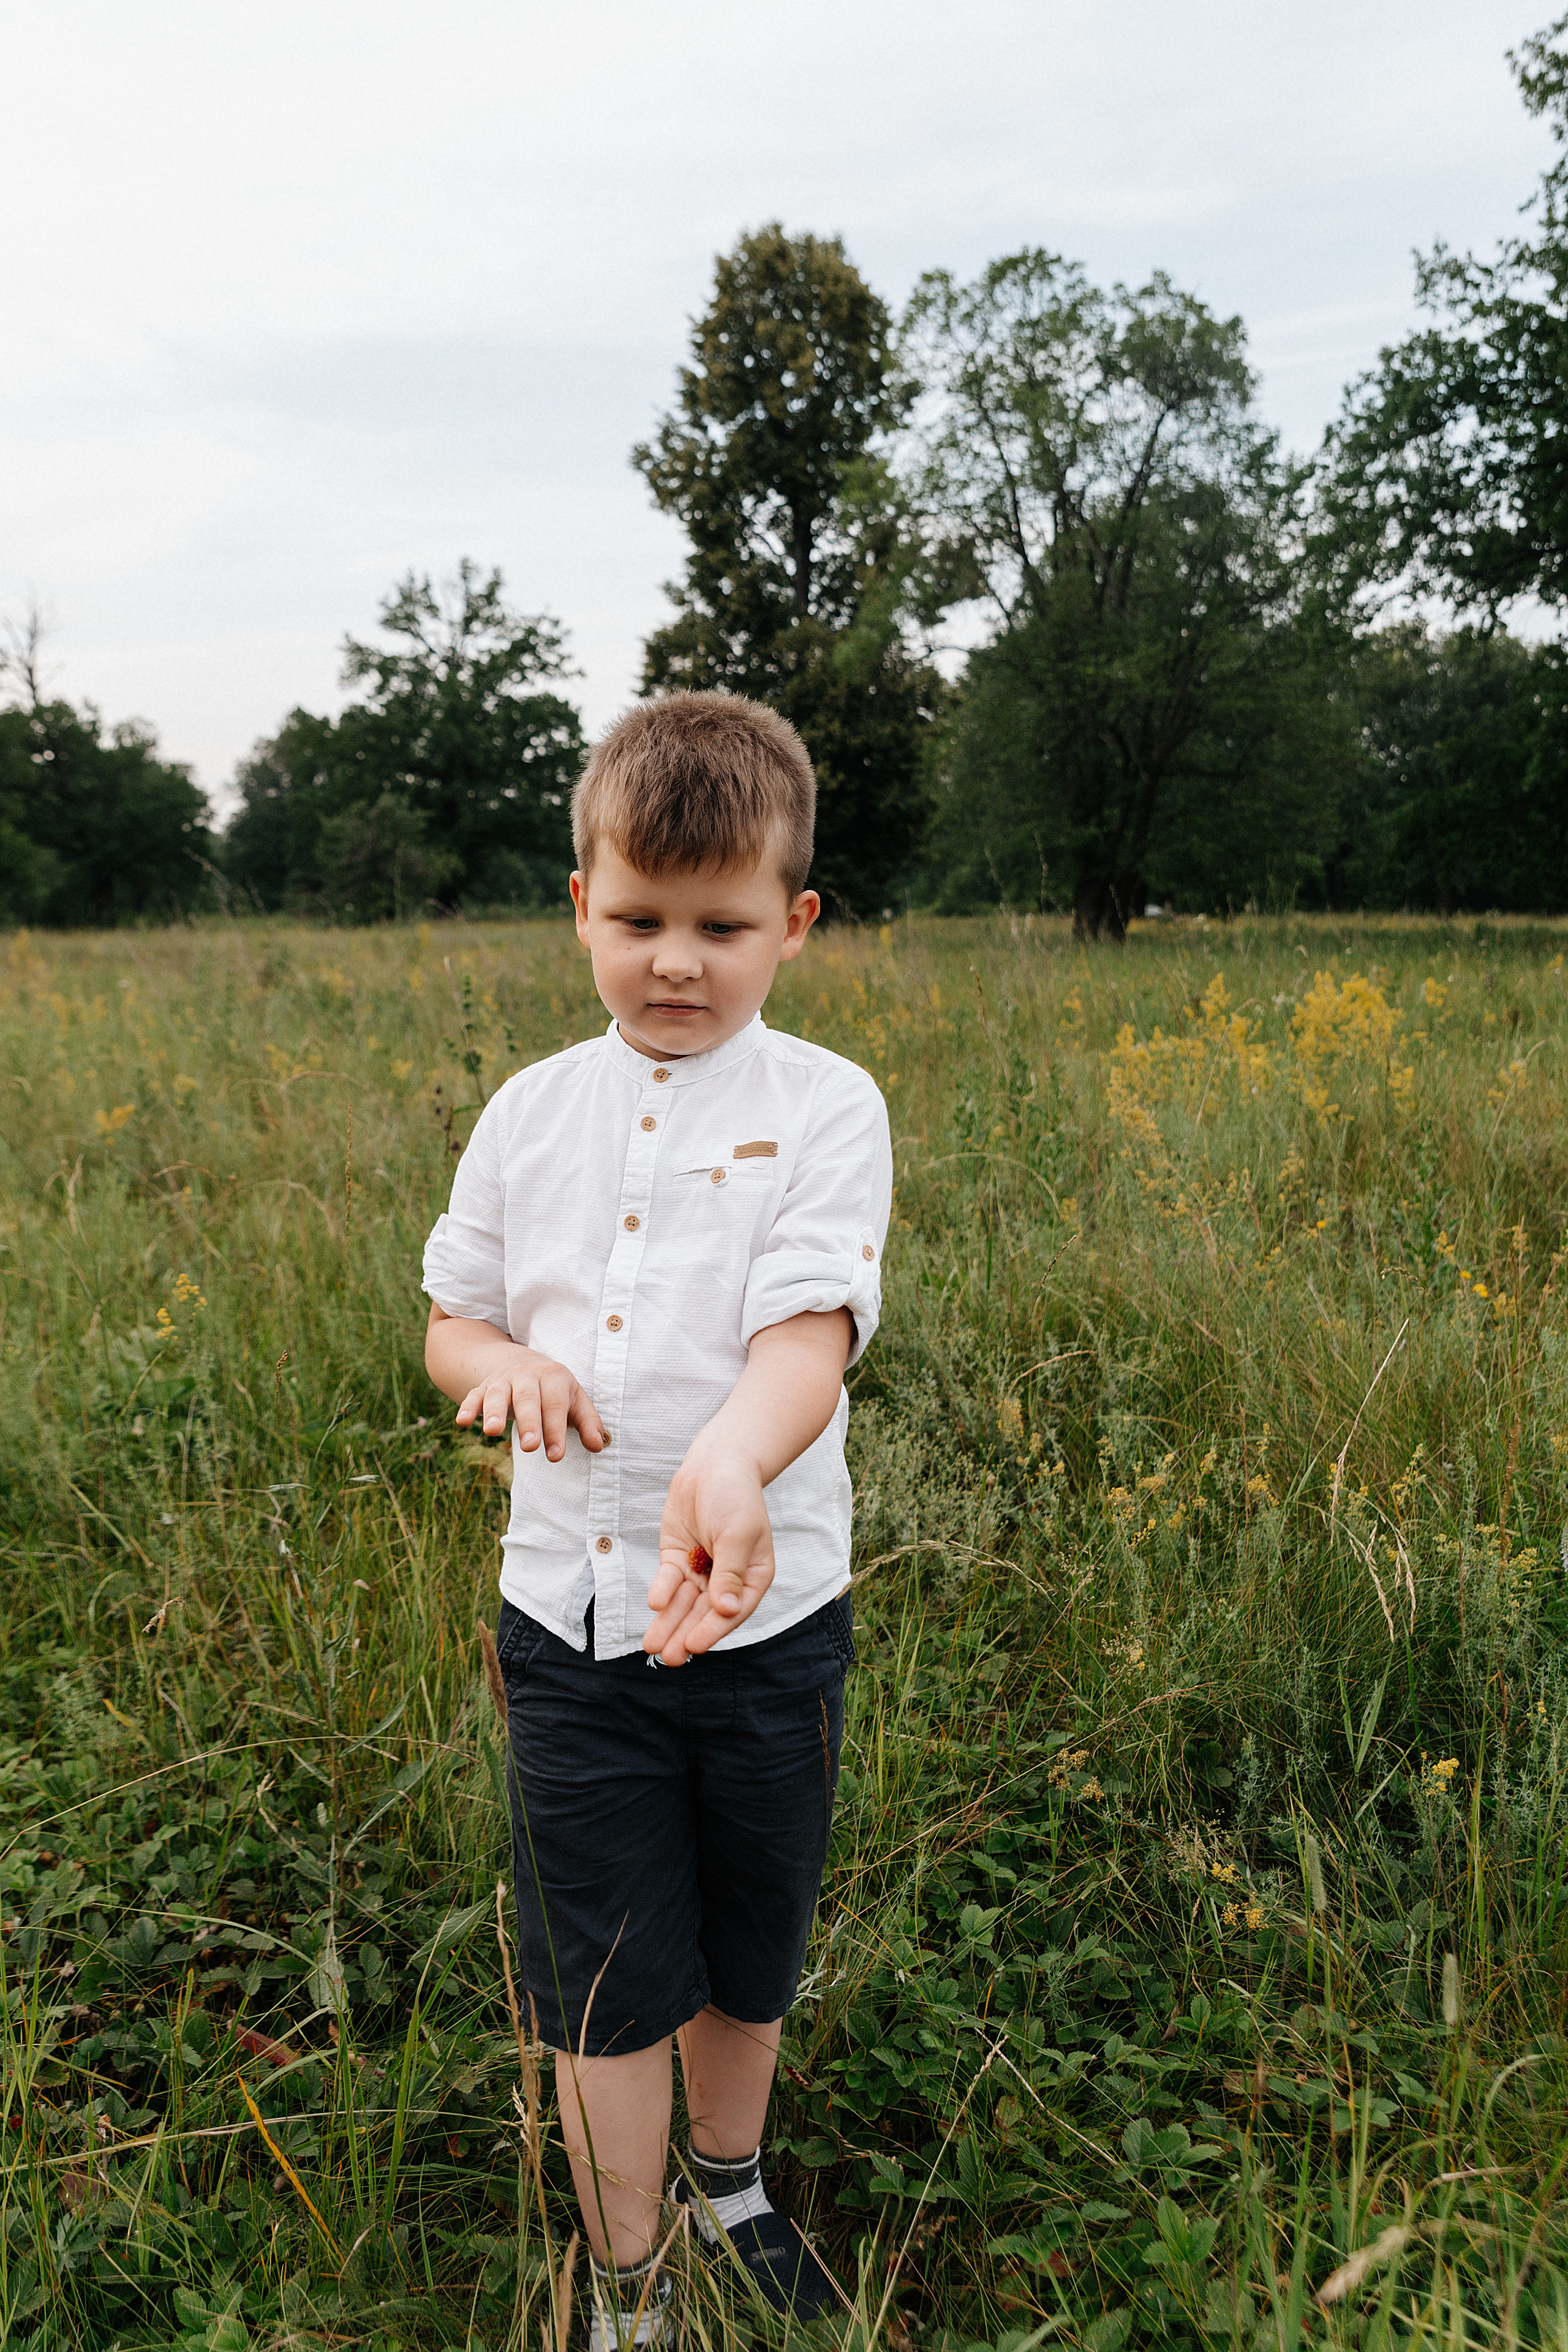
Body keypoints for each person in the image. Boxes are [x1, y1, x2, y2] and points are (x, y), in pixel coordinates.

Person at [421, 691, 892, 2350]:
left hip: (767, 1627)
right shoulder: (526, 1114)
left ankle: (734, 2180)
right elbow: (453, 1319)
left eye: (721, 924)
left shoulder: (830, 1108)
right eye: (637, 920)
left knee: (746, 1945)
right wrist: (505, 1370)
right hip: (571, 1626)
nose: (675, 960)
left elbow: (807, 1336)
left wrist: (731, 1466)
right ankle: (627, 2279)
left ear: (794, 925)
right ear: (581, 906)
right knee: (605, 1971)